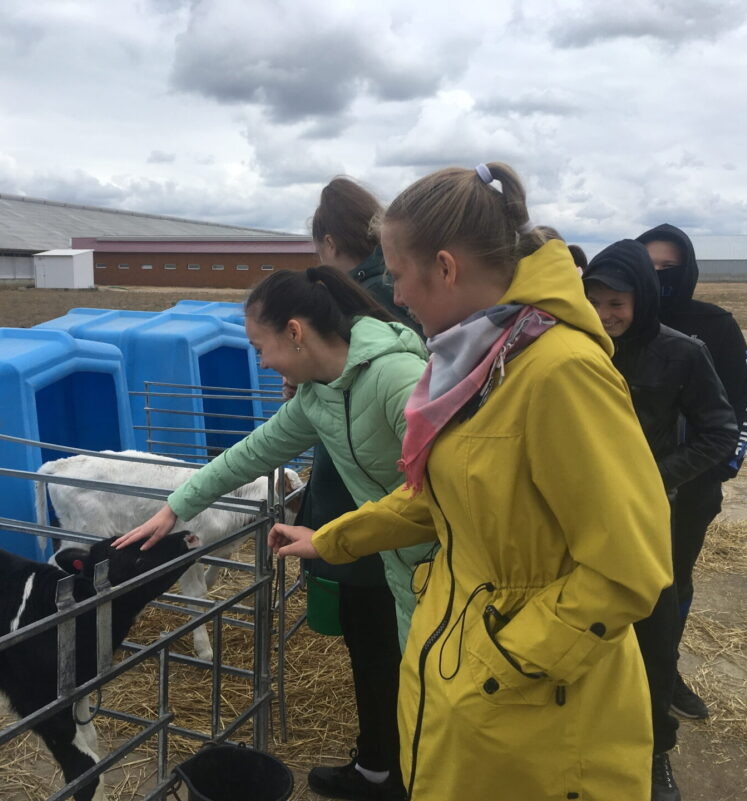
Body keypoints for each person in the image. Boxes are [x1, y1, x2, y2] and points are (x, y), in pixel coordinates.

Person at [270, 162, 672, 801]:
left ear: (446, 268)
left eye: (399, 275)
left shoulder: (560, 372)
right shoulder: (483, 361)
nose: (397, 295)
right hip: (466, 669)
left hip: (534, 709)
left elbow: (629, 568)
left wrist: (501, 665)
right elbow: (446, 494)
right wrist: (333, 540)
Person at [113, 264, 428, 801]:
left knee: (437, 702)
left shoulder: (396, 378)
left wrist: (329, 538)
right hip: (402, 569)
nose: (261, 362)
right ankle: (395, 778)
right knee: (415, 695)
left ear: (295, 332)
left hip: (444, 567)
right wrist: (176, 507)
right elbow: (253, 451)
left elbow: (436, 493)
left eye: (261, 347)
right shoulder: (319, 396)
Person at [584, 240, 739, 801]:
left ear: (642, 300)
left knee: (653, 636)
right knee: (585, 632)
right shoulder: (573, 347)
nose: (604, 315)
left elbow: (719, 432)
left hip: (649, 520)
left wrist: (654, 477)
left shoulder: (682, 352)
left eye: (617, 303)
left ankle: (654, 753)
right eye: (593, 301)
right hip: (580, 519)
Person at [298, 177, 429, 800]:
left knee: (377, 648)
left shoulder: (360, 308)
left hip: (369, 515)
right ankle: (402, 764)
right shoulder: (400, 298)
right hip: (398, 514)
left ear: (328, 242)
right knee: (398, 647)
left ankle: (385, 768)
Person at [635, 224, 747, 720]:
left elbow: (741, 402)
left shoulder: (715, 325)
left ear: (688, 271)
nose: (660, 277)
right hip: (621, 487)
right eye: (650, 267)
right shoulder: (617, 319)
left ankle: (665, 674)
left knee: (674, 581)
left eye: (670, 268)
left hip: (688, 486)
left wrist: (722, 469)